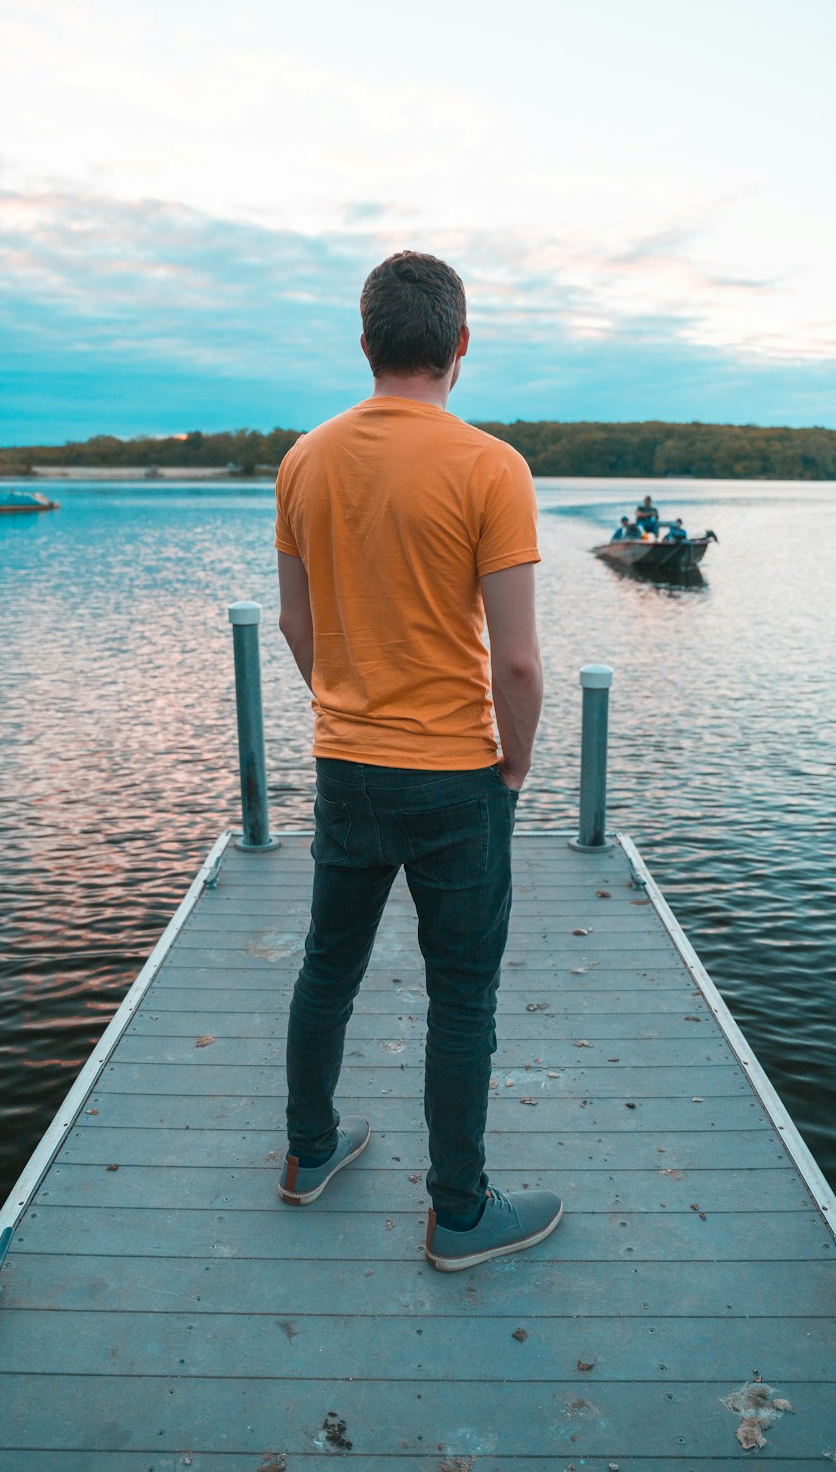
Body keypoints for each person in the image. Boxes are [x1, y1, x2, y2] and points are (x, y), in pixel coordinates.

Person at [274, 250, 562, 1272]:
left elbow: (294, 622)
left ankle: (310, 1155)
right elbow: (519, 663)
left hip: (348, 762)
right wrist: (515, 772)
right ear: (460, 346)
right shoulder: (492, 467)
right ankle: (459, 1213)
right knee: (463, 999)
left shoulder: (304, 460)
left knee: (328, 969)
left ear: (367, 344)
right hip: (457, 778)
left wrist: (348, 710)